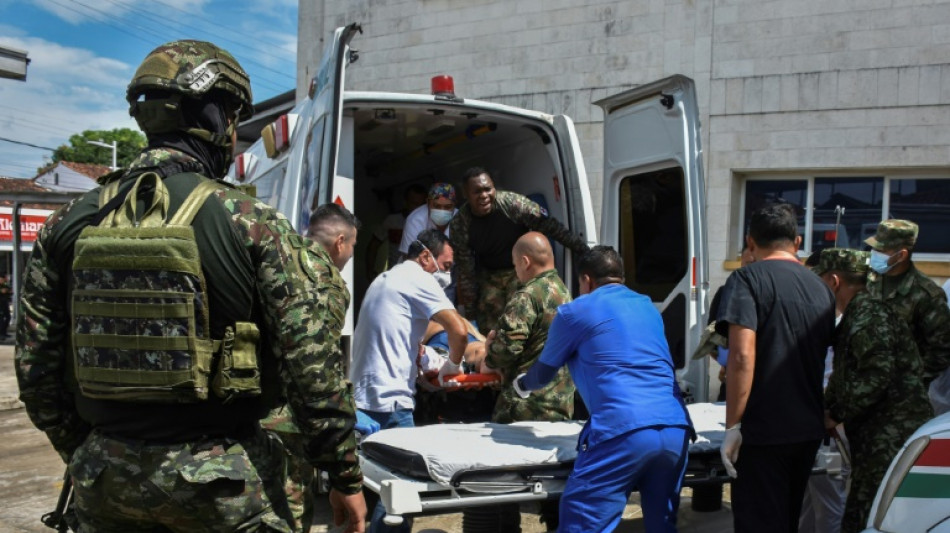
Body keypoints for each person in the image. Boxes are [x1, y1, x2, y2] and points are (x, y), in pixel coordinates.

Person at [14, 41, 365, 532]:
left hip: (104, 483)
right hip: (225, 489)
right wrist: (344, 478)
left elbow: (35, 371)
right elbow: (314, 370)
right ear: (217, 118)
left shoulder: (66, 224)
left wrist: (96, 452)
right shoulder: (250, 223)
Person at [515, 246, 692, 532]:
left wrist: (521, 384)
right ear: (620, 276)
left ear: (586, 280)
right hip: (675, 428)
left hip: (623, 429)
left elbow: (543, 373)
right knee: (662, 526)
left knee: (582, 523)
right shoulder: (647, 306)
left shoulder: (574, 312)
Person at [717, 203, 835, 533]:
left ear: (750, 242)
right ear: (797, 242)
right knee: (787, 519)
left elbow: (741, 356)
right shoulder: (822, 289)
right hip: (807, 428)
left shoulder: (746, 279)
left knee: (758, 522)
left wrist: (732, 426)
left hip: (763, 430)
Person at [349, 228, 468, 533]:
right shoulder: (419, 278)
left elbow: (399, 338)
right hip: (391, 403)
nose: (448, 275)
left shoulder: (387, 279)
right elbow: (458, 330)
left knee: (380, 488)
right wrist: (453, 365)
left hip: (365, 396)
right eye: (447, 265)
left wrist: (430, 364)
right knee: (404, 492)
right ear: (426, 257)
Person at [816, 248, 933, 533]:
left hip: (891, 434)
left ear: (833, 281)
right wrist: (827, 406)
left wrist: (836, 413)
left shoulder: (868, 317)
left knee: (871, 515)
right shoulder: (859, 314)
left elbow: (877, 376)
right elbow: (846, 375)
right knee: (861, 511)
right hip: (876, 432)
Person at [260, 203, 360, 532]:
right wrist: (343, 474)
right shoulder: (325, 282)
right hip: (285, 430)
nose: (349, 256)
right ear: (340, 241)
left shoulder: (277, 258)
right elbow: (317, 377)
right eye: (353, 247)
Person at [449, 167, 589, 334]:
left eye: (488, 189)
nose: (484, 196)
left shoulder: (513, 204)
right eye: (477, 191)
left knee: (526, 315)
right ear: (466, 194)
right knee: (490, 325)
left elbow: (551, 227)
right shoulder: (460, 224)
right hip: (489, 274)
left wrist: (583, 249)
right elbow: (466, 270)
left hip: (522, 269)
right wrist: (471, 315)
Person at [863, 219, 950, 413]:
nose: (874, 254)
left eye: (881, 251)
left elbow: (941, 350)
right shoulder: (868, 283)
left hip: (902, 407)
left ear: (901, 255)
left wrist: (912, 382)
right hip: (864, 396)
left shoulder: (927, 295)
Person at [364, 184, 427, 279]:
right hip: (395, 275)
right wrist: (370, 271)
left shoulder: (429, 223)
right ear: (406, 202)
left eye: (421, 205)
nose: (417, 209)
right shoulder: (392, 221)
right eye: (414, 203)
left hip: (420, 275)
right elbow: (373, 245)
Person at [398, 182, 458, 258]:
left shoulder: (461, 219)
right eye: (437, 206)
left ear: (455, 205)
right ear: (428, 203)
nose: (442, 211)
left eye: (448, 207)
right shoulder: (415, 220)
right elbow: (409, 258)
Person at [0, 273, 11, 339]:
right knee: (1, 319)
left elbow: (9, 291)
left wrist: (7, 291)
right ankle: (1, 334)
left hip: (4, 303)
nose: (2, 280)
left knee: (8, 317)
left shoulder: (5, 285)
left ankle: (4, 332)